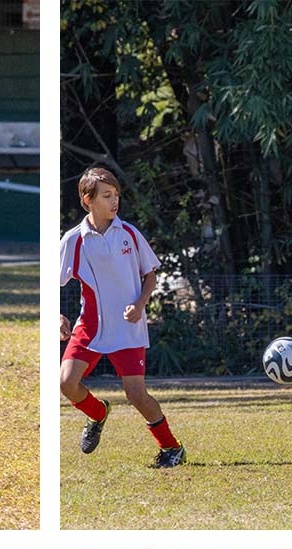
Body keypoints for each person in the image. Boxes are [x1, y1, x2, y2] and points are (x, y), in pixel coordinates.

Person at [59, 166, 186, 468]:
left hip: (128, 329)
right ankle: (98, 412)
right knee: (66, 383)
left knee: (137, 395)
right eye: (106, 196)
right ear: (87, 200)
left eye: (116, 195)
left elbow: (150, 274)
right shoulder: (73, 240)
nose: (114, 201)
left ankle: (172, 448)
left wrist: (141, 303)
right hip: (90, 328)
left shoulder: (129, 233)